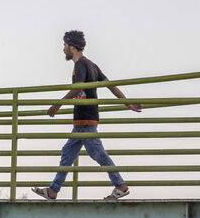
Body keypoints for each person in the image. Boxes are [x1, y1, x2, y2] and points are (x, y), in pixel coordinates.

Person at [32, 30, 142, 202]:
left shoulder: (81, 65)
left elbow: (78, 87)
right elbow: (110, 85)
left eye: (64, 46)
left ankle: (120, 185)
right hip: (81, 120)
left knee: (97, 153)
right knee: (67, 152)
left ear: (72, 46)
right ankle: (53, 191)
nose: (63, 49)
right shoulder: (92, 65)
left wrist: (57, 104)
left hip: (86, 119)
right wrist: (127, 103)